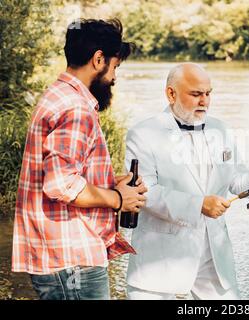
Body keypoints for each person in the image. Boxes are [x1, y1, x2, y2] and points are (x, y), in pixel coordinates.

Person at [12, 18, 147, 300]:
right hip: (71, 258)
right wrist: (118, 200)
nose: (114, 76)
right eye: (115, 66)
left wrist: (112, 184)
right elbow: (60, 184)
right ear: (99, 59)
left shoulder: (59, 95)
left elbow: (63, 172)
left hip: (62, 254)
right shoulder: (76, 107)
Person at [125, 63, 249, 300]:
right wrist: (199, 205)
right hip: (159, 262)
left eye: (208, 93)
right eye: (195, 94)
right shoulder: (142, 134)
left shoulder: (221, 128)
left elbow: (235, 176)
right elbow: (145, 193)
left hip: (213, 256)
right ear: (171, 94)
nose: (204, 100)